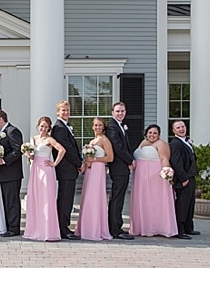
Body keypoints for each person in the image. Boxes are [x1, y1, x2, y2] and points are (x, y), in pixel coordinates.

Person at [129, 124, 181, 238]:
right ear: (146, 133)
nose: (152, 135)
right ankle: (142, 226)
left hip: (155, 177)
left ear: (159, 135)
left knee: (154, 201)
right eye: (150, 132)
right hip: (140, 178)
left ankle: (158, 227)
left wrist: (166, 171)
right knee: (143, 200)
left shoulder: (161, 144)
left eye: (155, 133)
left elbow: (164, 159)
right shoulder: (143, 143)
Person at [22, 116, 64, 241]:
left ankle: (48, 231)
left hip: (46, 169)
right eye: (42, 126)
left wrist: (54, 163)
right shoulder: (34, 139)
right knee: (35, 197)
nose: (43, 128)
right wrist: (28, 155)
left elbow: (62, 150)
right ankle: (35, 228)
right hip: (35, 169)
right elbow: (33, 155)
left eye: (46, 126)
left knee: (46, 198)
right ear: (38, 126)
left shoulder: (50, 139)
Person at [74, 117, 113, 241]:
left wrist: (94, 160)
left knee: (95, 197)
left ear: (103, 127)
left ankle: (95, 229)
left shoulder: (104, 140)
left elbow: (110, 157)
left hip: (98, 170)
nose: (98, 127)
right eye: (96, 125)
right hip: (90, 171)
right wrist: (85, 164)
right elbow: (88, 158)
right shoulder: (91, 141)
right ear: (92, 127)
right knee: (87, 197)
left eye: (100, 125)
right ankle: (86, 227)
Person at [0, 109, 24, 237]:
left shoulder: (12, 131)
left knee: (12, 201)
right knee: (5, 200)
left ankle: (14, 228)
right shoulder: (0, 133)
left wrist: (3, 160)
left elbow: (17, 150)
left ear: (0, 119)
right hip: (3, 174)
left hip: (12, 174)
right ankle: (7, 225)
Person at [50, 100, 83, 239]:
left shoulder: (66, 126)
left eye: (68, 110)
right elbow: (68, 149)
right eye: (63, 110)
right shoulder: (59, 128)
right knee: (65, 198)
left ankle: (64, 225)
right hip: (66, 169)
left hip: (69, 169)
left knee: (68, 198)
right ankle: (63, 228)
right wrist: (79, 163)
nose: (66, 112)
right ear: (57, 112)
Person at [104, 100, 135, 240]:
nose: (120, 113)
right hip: (118, 167)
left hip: (122, 168)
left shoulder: (120, 126)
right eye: (117, 111)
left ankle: (116, 225)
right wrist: (130, 160)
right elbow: (117, 147)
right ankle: (115, 229)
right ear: (112, 113)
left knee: (120, 197)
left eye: (122, 111)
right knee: (117, 197)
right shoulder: (112, 127)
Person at [168, 119, 199, 238]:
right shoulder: (175, 144)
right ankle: (179, 230)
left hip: (191, 177)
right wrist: (184, 178)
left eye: (183, 126)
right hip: (184, 179)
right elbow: (176, 162)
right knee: (182, 204)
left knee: (190, 203)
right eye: (178, 127)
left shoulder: (186, 142)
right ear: (173, 130)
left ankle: (188, 228)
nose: (181, 129)